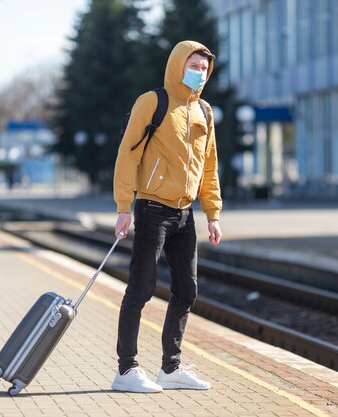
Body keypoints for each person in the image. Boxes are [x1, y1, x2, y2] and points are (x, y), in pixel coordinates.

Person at [111, 40, 222, 393]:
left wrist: (213, 213)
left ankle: (170, 369)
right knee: (140, 290)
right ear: (177, 65)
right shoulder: (152, 102)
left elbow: (209, 167)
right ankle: (126, 371)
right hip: (152, 209)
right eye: (193, 66)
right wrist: (123, 207)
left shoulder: (204, 111)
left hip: (185, 214)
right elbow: (128, 155)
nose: (199, 74)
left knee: (187, 291)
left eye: (204, 69)